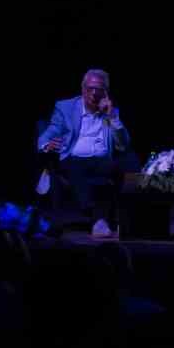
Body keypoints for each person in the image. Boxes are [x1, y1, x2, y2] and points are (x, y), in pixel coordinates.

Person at [36, 68, 137, 238]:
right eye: (90, 88)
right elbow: (47, 135)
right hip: (73, 159)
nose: (94, 93)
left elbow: (123, 144)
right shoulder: (66, 108)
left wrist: (112, 117)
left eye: (99, 89)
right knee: (76, 166)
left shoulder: (111, 112)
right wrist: (47, 145)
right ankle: (96, 217)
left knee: (122, 164)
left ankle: (129, 218)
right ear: (83, 89)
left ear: (106, 92)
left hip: (102, 160)